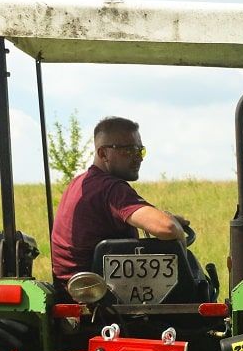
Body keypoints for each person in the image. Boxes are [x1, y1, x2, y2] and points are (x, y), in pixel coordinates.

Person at [50, 116, 189, 286]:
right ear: (103, 154)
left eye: (140, 150)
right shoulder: (110, 188)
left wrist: (169, 218)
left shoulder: (79, 183)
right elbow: (167, 228)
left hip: (74, 288)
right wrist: (179, 236)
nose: (139, 157)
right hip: (99, 295)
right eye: (129, 150)